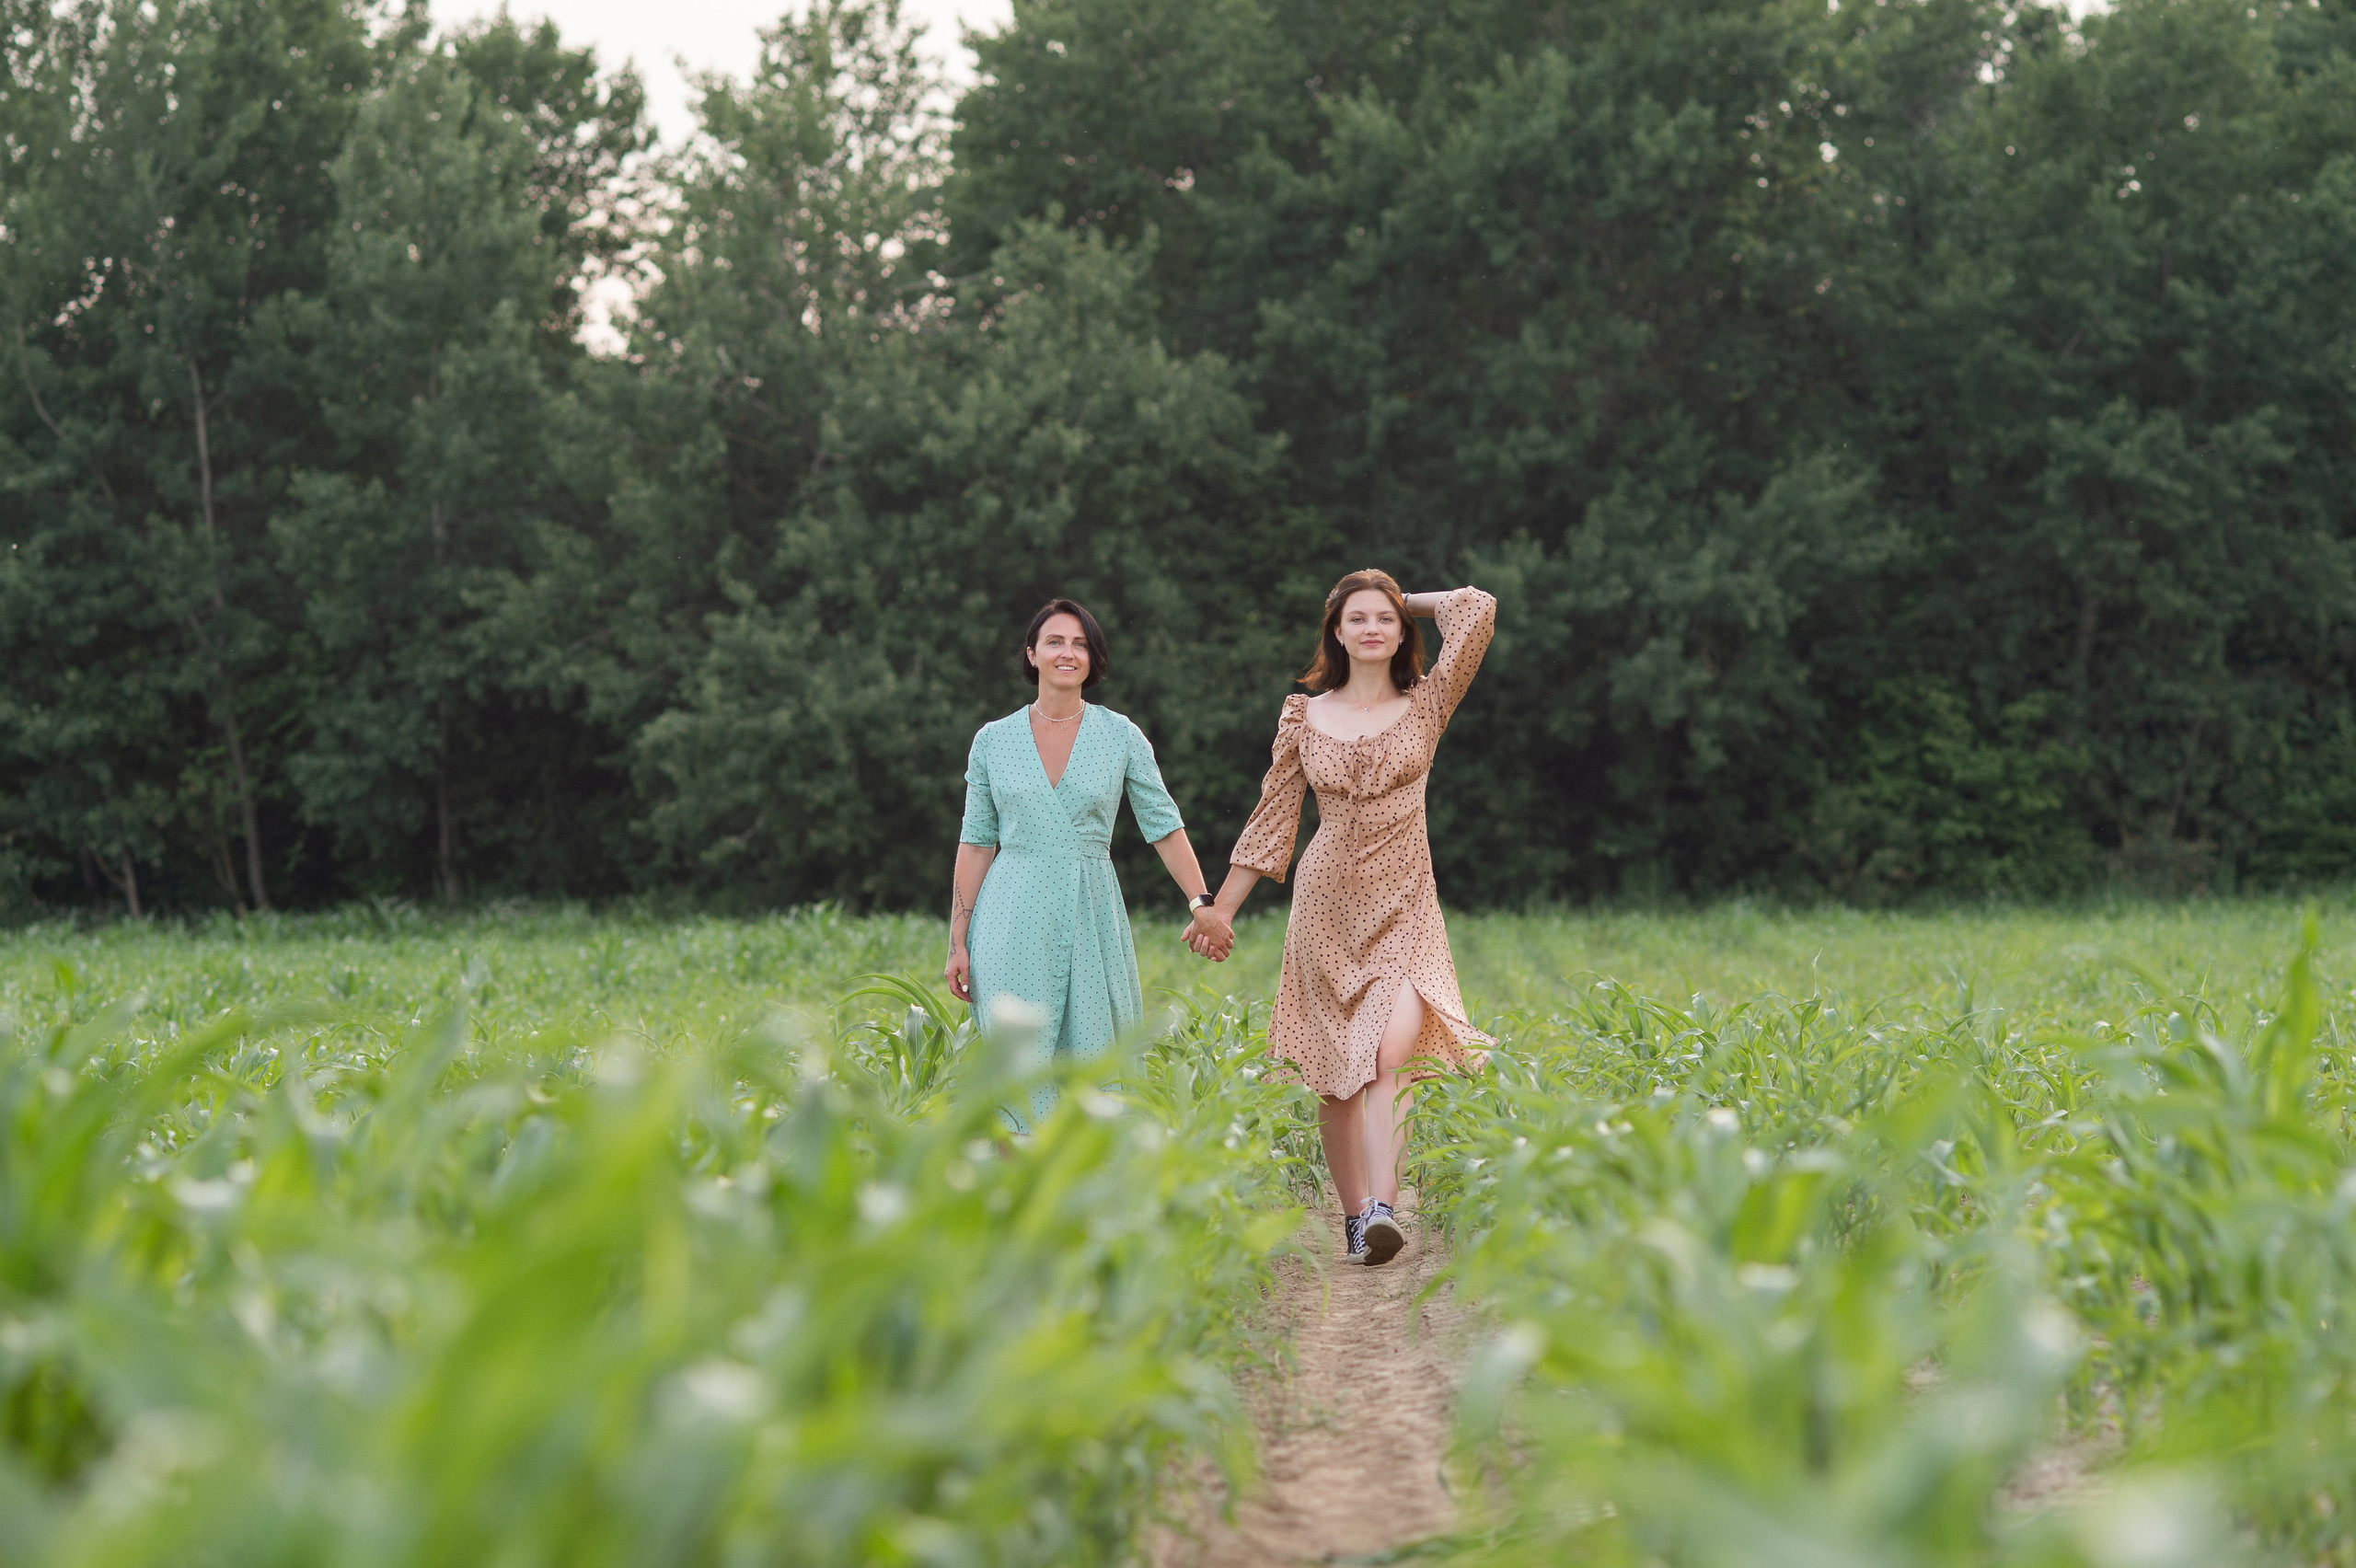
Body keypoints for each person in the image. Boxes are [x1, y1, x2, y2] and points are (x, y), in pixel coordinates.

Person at [1191, 571, 1497, 1265]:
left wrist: (1402, 593)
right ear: (1336, 630)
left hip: (1405, 905)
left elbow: (1477, 611)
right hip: (1324, 907)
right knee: (1338, 1075)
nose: (1372, 629)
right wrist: (1219, 911)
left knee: (1387, 1059)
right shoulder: (1304, 716)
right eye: (1356, 618)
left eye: (1384, 619)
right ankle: (1356, 1217)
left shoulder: (1429, 702)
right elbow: (1272, 823)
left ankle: (1386, 1208)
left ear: (1400, 631)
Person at [945, 598, 1232, 1128]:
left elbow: (1164, 827)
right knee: (1015, 1063)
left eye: (1080, 644)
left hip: (1090, 910)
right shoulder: (992, 740)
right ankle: (1018, 1197)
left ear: (1093, 659)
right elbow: (976, 842)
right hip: (1010, 918)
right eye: (1054, 641)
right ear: (1032, 654)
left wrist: (1202, 904)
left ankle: (1090, 1197)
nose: (1067, 653)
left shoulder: (1121, 736)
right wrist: (957, 940)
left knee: (1098, 1056)